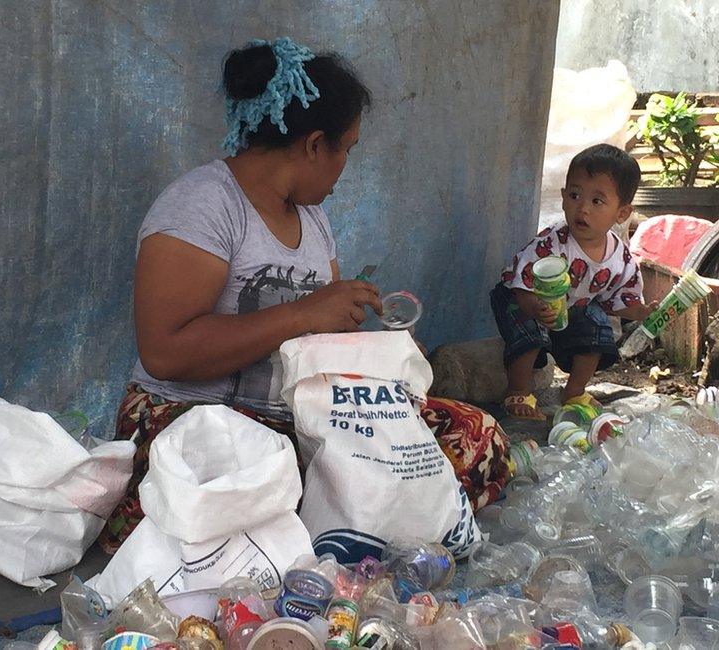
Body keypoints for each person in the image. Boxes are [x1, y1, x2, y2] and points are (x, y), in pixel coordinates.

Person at [101, 37, 511, 552]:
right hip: (194, 419)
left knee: (474, 436)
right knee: (268, 486)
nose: (346, 167)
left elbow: (320, 339)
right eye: (347, 150)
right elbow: (164, 351)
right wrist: (302, 313)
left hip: (292, 419)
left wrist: (384, 363)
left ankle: (343, 534)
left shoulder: (312, 219)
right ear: (316, 144)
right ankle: (347, 533)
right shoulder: (201, 206)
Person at [490, 144, 655, 420]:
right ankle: (518, 391)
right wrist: (533, 306)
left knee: (598, 323)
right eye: (576, 195)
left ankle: (574, 390)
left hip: (570, 311)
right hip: (523, 300)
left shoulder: (620, 256)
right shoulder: (553, 242)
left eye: (597, 201)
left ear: (622, 213)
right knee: (529, 331)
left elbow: (619, 299)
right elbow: (521, 281)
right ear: (564, 197)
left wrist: (639, 311)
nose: (583, 209)